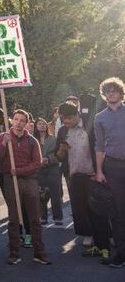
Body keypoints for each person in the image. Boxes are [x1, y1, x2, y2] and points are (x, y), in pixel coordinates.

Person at [0, 110, 50, 265]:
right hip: (10, 181)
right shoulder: (3, 137)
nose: (18, 123)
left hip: (29, 180)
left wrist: (19, 171)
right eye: (16, 119)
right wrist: (3, 145)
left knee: (34, 218)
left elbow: (37, 163)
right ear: (12, 120)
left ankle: (39, 252)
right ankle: (14, 253)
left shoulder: (32, 140)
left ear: (27, 123)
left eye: (22, 120)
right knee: (13, 219)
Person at [56, 101, 107, 253]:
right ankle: (87, 234)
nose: (66, 121)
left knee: (97, 207)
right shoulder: (62, 131)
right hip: (73, 174)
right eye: (63, 119)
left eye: (69, 118)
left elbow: (100, 148)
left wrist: (100, 171)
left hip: (92, 173)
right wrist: (62, 150)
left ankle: (105, 236)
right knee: (79, 208)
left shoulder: (90, 127)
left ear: (78, 115)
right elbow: (59, 156)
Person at [94, 77, 125, 268]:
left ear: (121, 92)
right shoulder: (100, 118)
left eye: (114, 90)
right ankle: (121, 254)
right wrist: (99, 171)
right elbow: (99, 146)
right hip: (112, 167)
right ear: (104, 95)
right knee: (118, 213)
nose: (111, 93)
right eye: (108, 91)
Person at [34, 118, 62, 226]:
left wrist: (48, 159)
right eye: (40, 124)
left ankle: (58, 217)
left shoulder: (53, 139)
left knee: (55, 194)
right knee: (41, 194)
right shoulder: (32, 140)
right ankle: (43, 217)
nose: (42, 125)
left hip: (52, 168)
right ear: (36, 126)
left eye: (44, 124)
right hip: (39, 169)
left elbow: (58, 154)